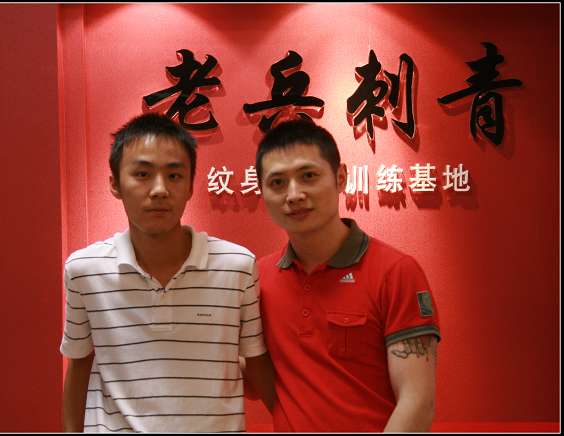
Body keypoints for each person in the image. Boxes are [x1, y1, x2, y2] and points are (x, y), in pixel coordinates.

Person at [60, 113, 275, 433]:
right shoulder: (84, 271)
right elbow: (78, 366)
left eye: (174, 175)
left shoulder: (237, 266)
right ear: (115, 183)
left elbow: (256, 367)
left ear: (190, 186)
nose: (159, 189)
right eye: (142, 174)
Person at [255, 119, 442, 432]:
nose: (294, 194)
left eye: (308, 176)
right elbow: (255, 379)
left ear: (340, 178)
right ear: (262, 193)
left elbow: (417, 402)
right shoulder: (258, 278)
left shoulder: (396, 272)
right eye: (277, 183)